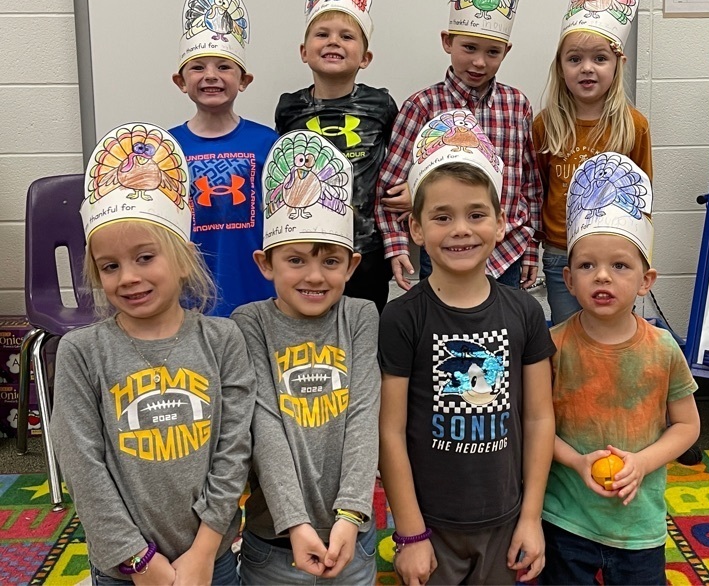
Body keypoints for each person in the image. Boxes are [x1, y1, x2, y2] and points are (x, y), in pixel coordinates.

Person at [51, 123, 254, 585]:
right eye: (110, 266)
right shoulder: (82, 352)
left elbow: (234, 451)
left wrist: (204, 551)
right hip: (125, 569)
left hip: (212, 559)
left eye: (145, 257)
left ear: (183, 259)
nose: (128, 277)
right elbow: (82, 467)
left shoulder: (223, 340)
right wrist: (138, 561)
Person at [378, 115, 556, 585]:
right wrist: (411, 533)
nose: (461, 229)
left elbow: (539, 418)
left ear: (501, 224)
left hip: (507, 519)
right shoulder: (401, 318)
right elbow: (390, 432)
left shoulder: (525, 313)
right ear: (416, 228)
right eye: (442, 217)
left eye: (476, 215)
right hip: (430, 526)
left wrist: (531, 517)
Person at [540, 152, 700, 586]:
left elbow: (687, 426)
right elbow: (536, 425)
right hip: (566, 518)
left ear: (646, 281)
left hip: (638, 524)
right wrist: (577, 462)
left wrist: (643, 462)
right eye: (587, 265)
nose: (602, 277)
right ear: (568, 280)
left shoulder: (663, 349)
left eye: (620, 265)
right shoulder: (553, 346)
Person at [231, 130, 381, 584]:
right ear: (265, 263)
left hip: (352, 538)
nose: (314, 276)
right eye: (295, 261)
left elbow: (363, 416)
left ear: (352, 266)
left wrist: (350, 513)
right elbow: (264, 425)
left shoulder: (360, 316)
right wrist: (295, 522)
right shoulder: (250, 323)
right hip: (274, 543)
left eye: (331, 262)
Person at [375, 0, 542, 292]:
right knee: (442, 321)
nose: (479, 62)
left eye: (492, 52)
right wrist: (396, 245)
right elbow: (389, 190)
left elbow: (529, 187)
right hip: (442, 249)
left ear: (506, 51)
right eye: (469, 48)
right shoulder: (423, 106)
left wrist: (530, 247)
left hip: (507, 250)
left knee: (504, 324)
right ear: (447, 41)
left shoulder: (517, 105)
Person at [275, 0, 398, 312]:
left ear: (365, 58)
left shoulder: (381, 104)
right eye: (322, 34)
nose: (333, 41)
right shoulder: (289, 108)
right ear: (304, 51)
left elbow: (401, 157)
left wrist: (409, 188)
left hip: (366, 247)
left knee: (364, 325)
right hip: (306, 244)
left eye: (346, 36)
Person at [532, 0, 652, 325]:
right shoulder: (545, 125)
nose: (587, 68)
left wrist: (637, 256)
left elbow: (644, 199)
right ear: (560, 67)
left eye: (600, 58)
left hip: (615, 252)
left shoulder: (633, 126)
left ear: (618, 64)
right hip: (561, 254)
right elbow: (538, 189)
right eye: (575, 59)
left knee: (612, 332)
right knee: (567, 335)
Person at [171, 0, 277, 316]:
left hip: (257, 289)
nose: (211, 76)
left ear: (244, 80)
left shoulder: (266, 142)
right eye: (198, 67)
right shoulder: (167, 149)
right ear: (181, 81)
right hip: (192, 296)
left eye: (224, 67)